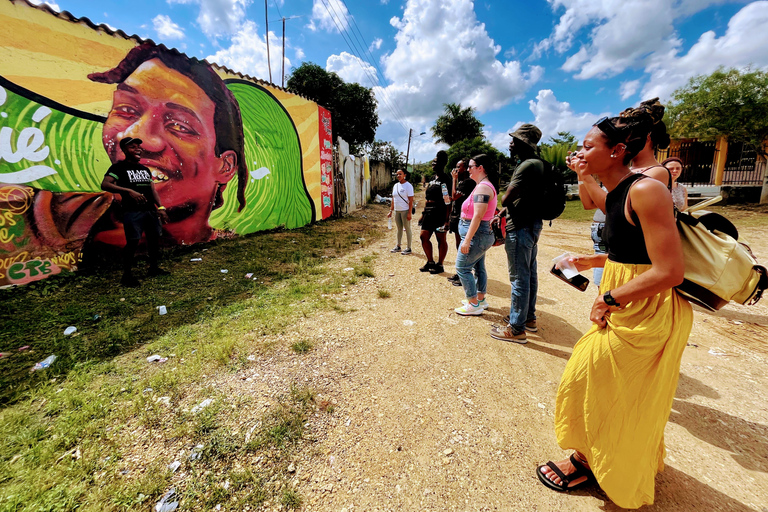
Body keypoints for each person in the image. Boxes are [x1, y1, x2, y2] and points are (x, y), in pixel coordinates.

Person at [536, 112, 692, 509]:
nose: (581, 151)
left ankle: (589, 463)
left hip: (645, 310)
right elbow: (632, 248)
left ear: (618, 151)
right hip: (628, 301)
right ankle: (601, 459)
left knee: (603, 385)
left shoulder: (648, 189)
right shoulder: (621, 191)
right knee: (606, 387)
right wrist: (590, 261)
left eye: (589, 146)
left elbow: (670, 270)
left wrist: (609, 298)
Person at [88, 42, 248, 248]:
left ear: (225, 166)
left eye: (180, 126)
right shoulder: (47, 215)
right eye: (127, 110)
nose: (135, 135)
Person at [489, 124, 545, 343]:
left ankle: (516, 328)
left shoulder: (524, 167)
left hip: (519, 227)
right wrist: (502, 213)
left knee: (519, 278)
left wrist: (503, 205)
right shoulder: (539, 164)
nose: (510, 144)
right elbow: (525, 198)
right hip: (533, 225)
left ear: (522, 143)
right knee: (530, 273)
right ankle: (528, 318)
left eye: (513, 141)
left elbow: (507, 198)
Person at [577, 98, 671, 213]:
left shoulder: (654, 175)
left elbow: (614, 209)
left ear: (646, 138)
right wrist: (582, 172)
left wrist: (585, 175)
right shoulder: (625, 171)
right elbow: (589, 204)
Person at [101, 137, 170, 286]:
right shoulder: (118, 168)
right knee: (132, 242)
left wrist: (161, 207)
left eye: (138, 147)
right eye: (133, 147)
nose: (137, 149)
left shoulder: (144, 169)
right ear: (124, 150)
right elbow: (105, 184)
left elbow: (152, 189)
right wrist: (128, 191)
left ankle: (153, 268)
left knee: (153, 240)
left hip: (150, 211)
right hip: (132, 212)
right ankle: (127, 276)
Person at [453, 154, 497, 316]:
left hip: (477, 234)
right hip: (479, 234)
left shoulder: (483, 188)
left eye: (471, 167)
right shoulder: (481, 186)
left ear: (480, 168)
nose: (468, 170)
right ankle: (480, 299)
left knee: (462, 268)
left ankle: (473, 304)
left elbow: (478, 215)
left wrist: (467, 240)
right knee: (478, 266)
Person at [570, 152, 607, 288]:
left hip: (612, 234)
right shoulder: (607, 179)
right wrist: (580, 174)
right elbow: (588, 204)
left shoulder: (626, 178)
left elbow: (608, 206)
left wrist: (584, 173)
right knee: (601, 285)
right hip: (600, 235)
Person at [418, 151, 451, 273]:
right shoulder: (432, 179)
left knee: (440, 239)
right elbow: (427, 198)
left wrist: (447, 220)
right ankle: (430, 261)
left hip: (440, 213)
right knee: (423, 236)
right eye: (433, 161)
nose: (433, 163)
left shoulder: (445, 179)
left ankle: (440, 265)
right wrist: (423, 214)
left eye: (435, 161)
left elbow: (448, 200)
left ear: (442, 164)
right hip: (429, 212)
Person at [447, 158, 474, 286]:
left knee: (463, 246)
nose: (457, 169)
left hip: (464, 217)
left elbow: (454, 196)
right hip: (458, 215)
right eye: (456, 166)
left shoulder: (467, 182)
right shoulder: (463, 181)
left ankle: (463, 274)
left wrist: (453, 179)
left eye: (460, 166)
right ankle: (460, 273)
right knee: (459, 245)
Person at [387, 169, 414, 255]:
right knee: (399, 228)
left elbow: (411, 200)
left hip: (405, 210)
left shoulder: (408, 186)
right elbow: (393, 199)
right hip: (397, 210)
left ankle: (408, 247)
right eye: (397, 174)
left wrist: (409, 213)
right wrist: (391, 210)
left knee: (407, 228)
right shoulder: (395, 186)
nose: (398, 176)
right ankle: (398, 246)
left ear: (404, 175)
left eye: (400, 174)